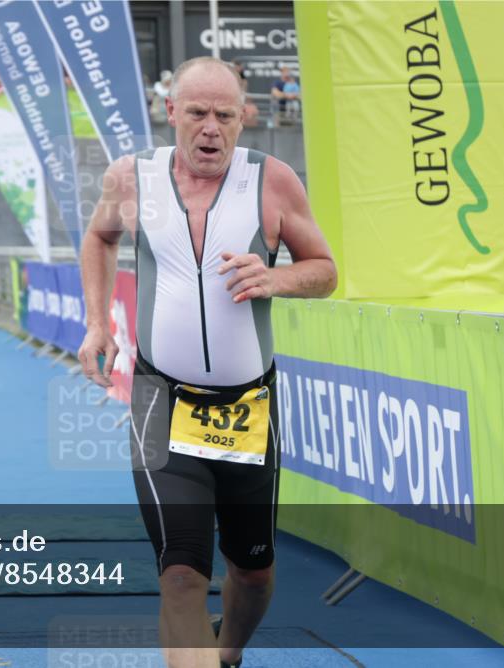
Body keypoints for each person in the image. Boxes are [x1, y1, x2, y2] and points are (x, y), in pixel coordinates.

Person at [77, 57, 337, 668]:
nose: (211, 129)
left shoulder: (272, 181)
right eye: (197, 113)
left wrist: (277, 278)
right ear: (170, 112)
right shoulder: (129, 180)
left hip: (248, 410)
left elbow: (324, 271)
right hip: (161, 401)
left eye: (225, 115)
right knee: (181, 578)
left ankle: (229, 652)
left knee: (252, 575)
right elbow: (99, 238)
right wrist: (95, 322)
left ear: (245, 118)